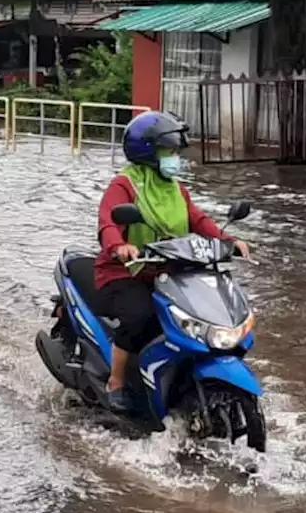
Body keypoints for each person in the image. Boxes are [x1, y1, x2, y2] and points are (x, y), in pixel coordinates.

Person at [95, 111, 249, 413]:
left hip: (168, 272)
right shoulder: (125, 185)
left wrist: (228, 241)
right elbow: (107, 223)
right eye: (169, 152)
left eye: (176, 152)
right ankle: (116, 382)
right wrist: (120, 246)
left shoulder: (176, 188)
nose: (175, 158)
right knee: (141, 316)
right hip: (125, 273)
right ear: (149, 152)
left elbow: (197, 220)